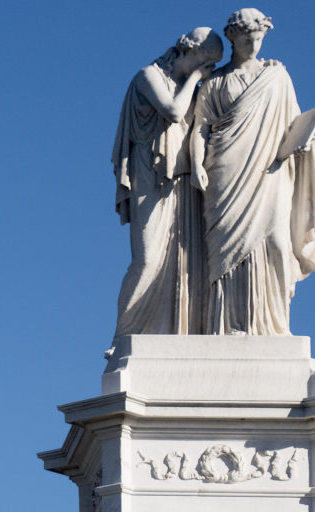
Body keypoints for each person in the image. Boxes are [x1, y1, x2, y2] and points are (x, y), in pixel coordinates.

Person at [190, 9, 315, 335]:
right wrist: (195, 164)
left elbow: (295, 124)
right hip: (224, 170)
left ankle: (274, 327)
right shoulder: (216, 82)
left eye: (258, 38)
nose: (254, 44)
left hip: (271, 170)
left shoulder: (278, 77)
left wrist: (304, 144)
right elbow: (199, 128)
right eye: (247, 39)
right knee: (223, 252)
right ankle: (222, 327)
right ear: (233, 39)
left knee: (277, 244)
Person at [111, 28, 223, 339]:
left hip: (183, 177)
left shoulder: (189, 86)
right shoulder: (149, 76)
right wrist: (195, 78)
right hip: (150, 172)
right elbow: (173, 112)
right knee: (147, 259)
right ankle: (123, 334)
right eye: (206, 62)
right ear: (188, 50)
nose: (208, 70)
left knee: (182, 260)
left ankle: (174, 331)